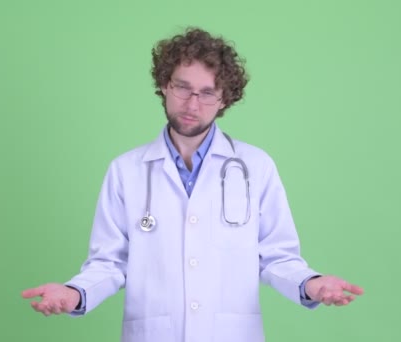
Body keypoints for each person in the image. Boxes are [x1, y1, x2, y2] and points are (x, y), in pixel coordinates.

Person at [22, 27, 364, 342]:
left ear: (224, 99)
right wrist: (75, 293)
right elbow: (109, 262)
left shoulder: (255, 166)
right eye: (182, 87)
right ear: (164, 85)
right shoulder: (126, 170)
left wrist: (312, 284)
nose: (192, 104)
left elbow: (276, 256)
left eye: (207, 92)